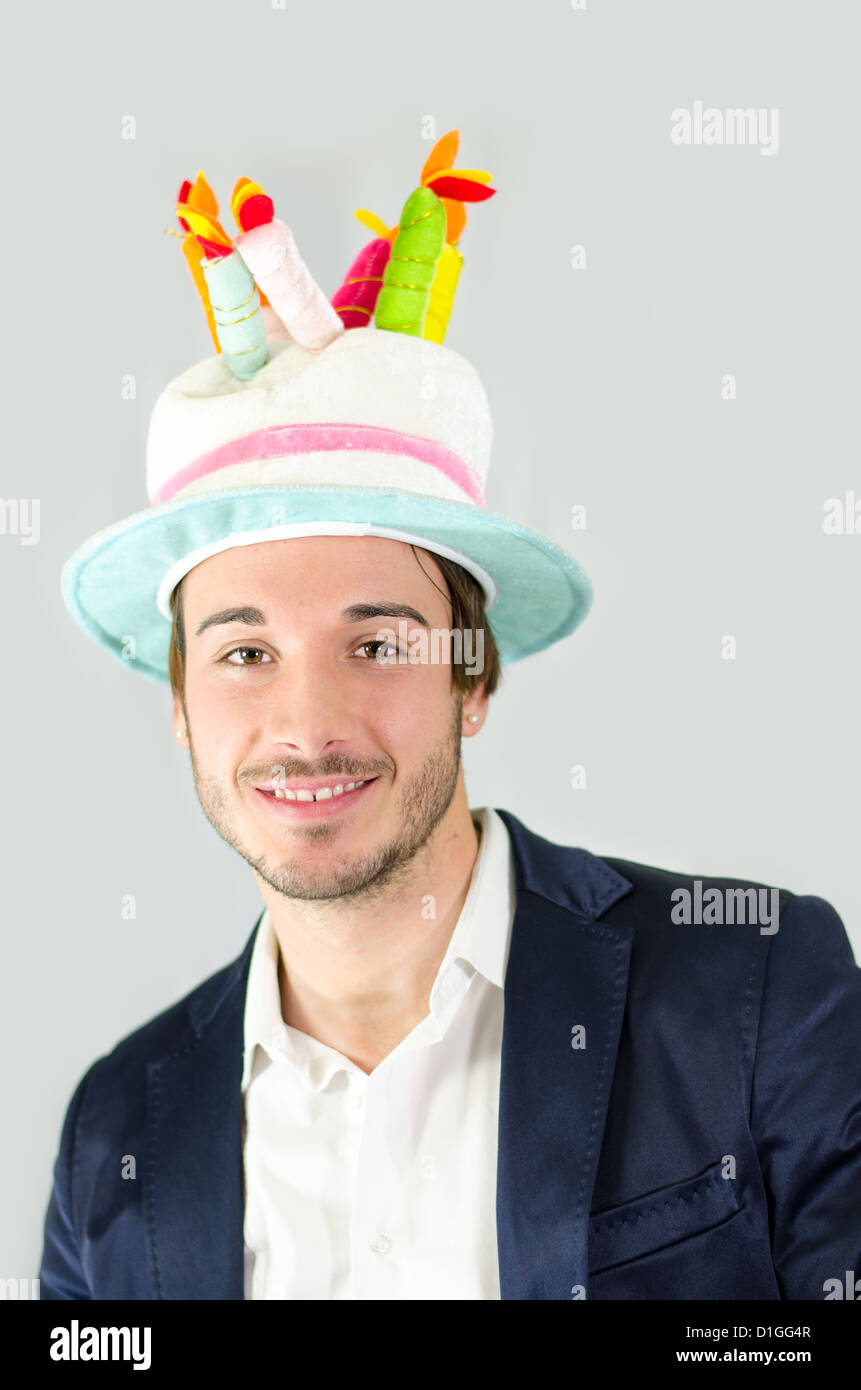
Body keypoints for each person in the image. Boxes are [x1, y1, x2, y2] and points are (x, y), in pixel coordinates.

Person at [40, 138, 861, 1301]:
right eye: (243, 651)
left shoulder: (756, 989)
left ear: (475, 678)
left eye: (377, 644)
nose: (305, 718)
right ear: (179, 703)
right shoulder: (112, 1135)